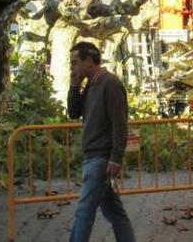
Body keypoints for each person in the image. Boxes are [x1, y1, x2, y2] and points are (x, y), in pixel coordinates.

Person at [67, 42, 136, 242]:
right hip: (93, 155)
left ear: (89, 61)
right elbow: (73, 112)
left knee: (85, 210)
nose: (74, 67)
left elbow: (119, 123)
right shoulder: (91, 84)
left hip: (101, 157)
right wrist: (74, 85)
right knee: (114, 212)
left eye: (75, 63)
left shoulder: (110, 83)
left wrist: (116, 157)